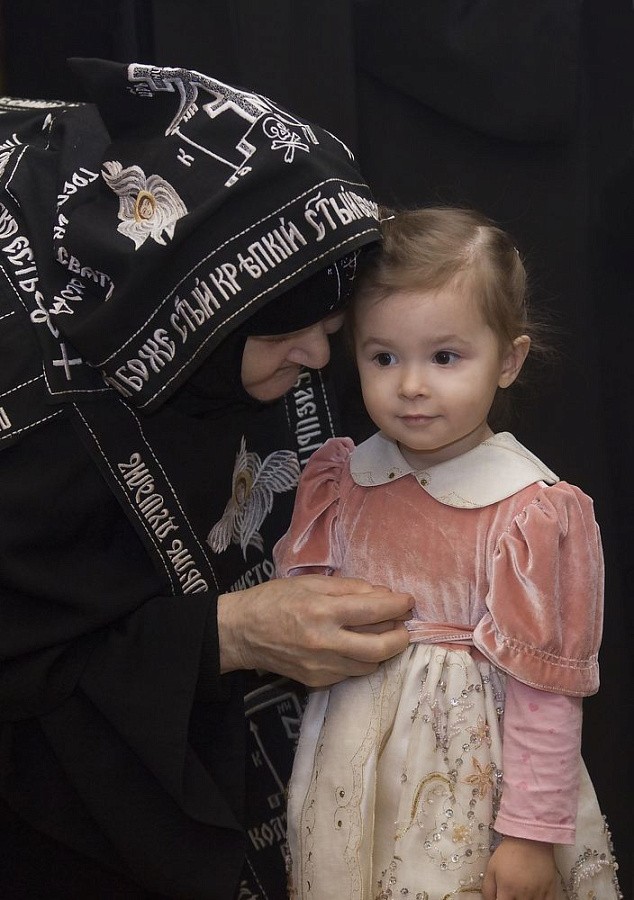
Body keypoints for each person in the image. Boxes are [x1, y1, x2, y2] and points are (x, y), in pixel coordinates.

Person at [0, 60, 414, 899]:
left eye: (336, 326)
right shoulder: (38, 432)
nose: (319, 359)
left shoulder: (259, 277)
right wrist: (227, 636)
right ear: (186, 316)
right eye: (286, 335)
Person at [274, 208, 622, 899]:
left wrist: (529, 836)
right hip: (350, 770)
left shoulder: (528, 511)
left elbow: (547, 692)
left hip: (473, 784)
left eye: (444, 357)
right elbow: (303, 618)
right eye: (384, 357)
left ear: (508, 361)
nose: (411, 385)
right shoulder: (341, 482)